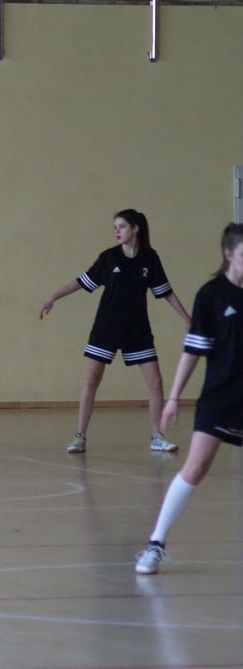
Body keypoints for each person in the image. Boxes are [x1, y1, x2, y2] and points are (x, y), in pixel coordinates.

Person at [134, 223, 243, 574]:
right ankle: (155, 544)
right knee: (195, 469)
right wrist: (173, 397)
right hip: (220, 397)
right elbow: (193, 351)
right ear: (229, 254)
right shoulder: (212, 295)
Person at [39, 209, 190, 454]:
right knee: (91, 381)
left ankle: (157, 437)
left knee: (155, 382)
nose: (117, 231)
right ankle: (79, 436)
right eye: (115, 228)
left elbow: (165, 291)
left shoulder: (150, 258)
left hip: (137, 329)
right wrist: (53, 297)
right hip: (106, 328)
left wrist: (187, 318)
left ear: (135, 228)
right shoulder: (108, 258)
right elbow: (82, 281)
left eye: (121, 226)